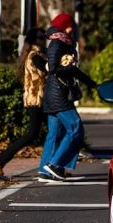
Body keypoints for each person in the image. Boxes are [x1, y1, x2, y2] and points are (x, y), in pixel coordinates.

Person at [40, 13, 97, 181]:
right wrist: (72, 70)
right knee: (75, 127)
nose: (73, 28)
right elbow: (53, 68)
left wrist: (91, 83)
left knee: (55, 133)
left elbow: (72, 70)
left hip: (54, 93)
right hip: (59, 94)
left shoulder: (63, 42)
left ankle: (45, 171)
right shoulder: (58, 42)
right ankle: (55, 165)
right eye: (71, 25)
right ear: (65, 26)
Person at [0, 28, 48, 175]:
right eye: (41, 37)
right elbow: (48, 70)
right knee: (32, 134)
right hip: (37, 99)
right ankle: (0, 159)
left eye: (45, 37)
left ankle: (54, 166)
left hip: (38, 99)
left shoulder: (35, 54)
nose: (44, 40)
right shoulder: (35, 56)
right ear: (34, 40)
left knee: (52, 132)